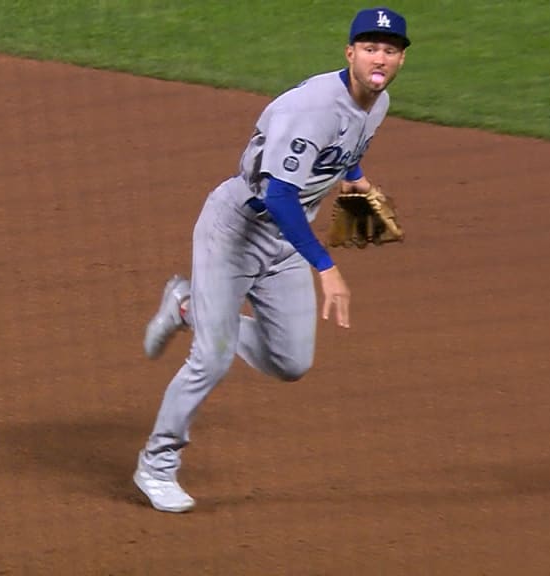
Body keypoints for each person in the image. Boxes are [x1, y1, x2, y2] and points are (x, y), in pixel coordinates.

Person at [133, 7, 411, 513]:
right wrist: (326, 268)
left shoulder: (378, 99)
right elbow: (280, 194)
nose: (380, 57)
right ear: (349, 52)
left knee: (291, 361)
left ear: (401, 59)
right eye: (370, 47)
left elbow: (346, 144)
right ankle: (157, 464)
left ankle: (187, 308)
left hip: (286, 240)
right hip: (236, 230)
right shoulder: (310, 108)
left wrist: (354, 177)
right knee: (211, 359)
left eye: (390, 50)